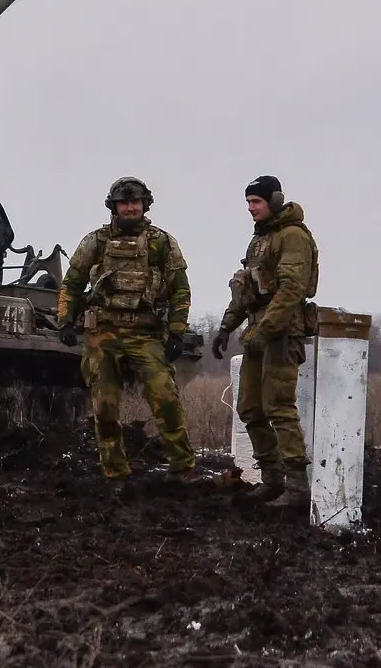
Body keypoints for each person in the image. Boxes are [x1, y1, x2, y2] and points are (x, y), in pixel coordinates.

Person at [56, 177, 197, 484]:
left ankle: (183, 468)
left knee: (165, 398)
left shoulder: (161, 242)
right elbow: (73, 283)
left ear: (145, 204)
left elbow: (180, 290)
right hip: (103, 333)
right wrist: (65, 321)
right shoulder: (96, 241)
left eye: (136, 202)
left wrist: (176, 331)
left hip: (145, 334)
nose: (130, 207)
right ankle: (115, 474)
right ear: (114, 206)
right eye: (124, 202)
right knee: (104, 407)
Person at [211, 175, 319, 508]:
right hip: (258, 334)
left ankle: (297, 486)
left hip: (282, 333)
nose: (250, 208)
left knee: (279, 408)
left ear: (272, 200)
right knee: (250, 408)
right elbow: (246, 290)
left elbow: (290, 291)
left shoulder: (292, 237)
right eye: (248, 203)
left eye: (256, 202)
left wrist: (263, 331)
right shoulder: (260, 241)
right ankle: (272, 479)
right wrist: (227, 327)